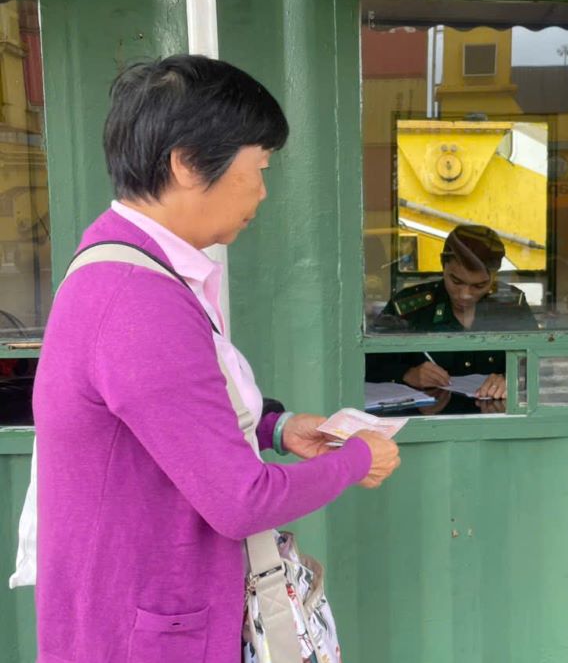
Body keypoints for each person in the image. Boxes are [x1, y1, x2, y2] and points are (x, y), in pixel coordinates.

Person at [31, 55, 401, 662]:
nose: (262, 191)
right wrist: (357, 459)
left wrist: (276, 427)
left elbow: (164, 424)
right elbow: (241, 501)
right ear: (185, 162)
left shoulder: (121, 265)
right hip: (141, 633)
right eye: (257, 169)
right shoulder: (138, 300)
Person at [366, 223, 537, 400]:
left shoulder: (510, 304)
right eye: (456, 281)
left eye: (479, 286)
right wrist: (406, 373)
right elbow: (366, 362)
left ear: (495, 275)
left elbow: (538, 361)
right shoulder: (409, 307)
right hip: (430, 419)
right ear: (443, 265)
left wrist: (513, 378)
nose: (465, 295)